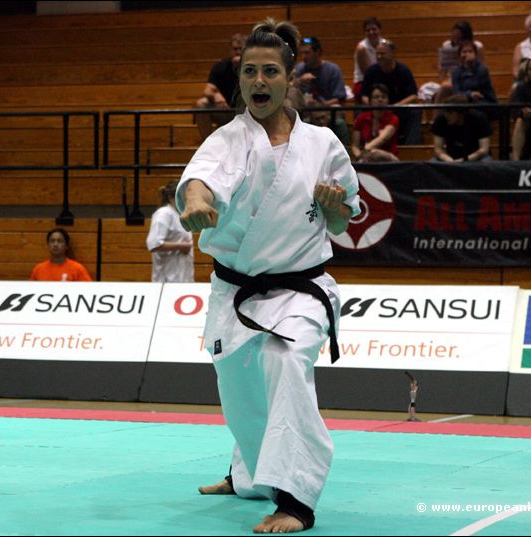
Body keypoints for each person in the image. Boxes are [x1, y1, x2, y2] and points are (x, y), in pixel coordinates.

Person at [178, 18, 360, 533]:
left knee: (283, 361)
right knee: (240, 391)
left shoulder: (323, 143)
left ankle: (296, 498)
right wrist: (195, 202)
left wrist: (335, 210)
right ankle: (249, 475)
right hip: (235, 289)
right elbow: (201, 180)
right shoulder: (228, 139)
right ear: (239, 79)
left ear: (289, 78)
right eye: (250, 71)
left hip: (301, 289)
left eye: (270, 71)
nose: (259, 80)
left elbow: (343, 219)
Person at [360, 39, 421, 144]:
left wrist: (395, 106)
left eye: (382, 54)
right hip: (376, 110)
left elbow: (413, 96)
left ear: (392, 54)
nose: (379, 57)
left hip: (398, 109)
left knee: (415, 111)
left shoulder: (403, 71)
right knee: (359, 112)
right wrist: (373, 105)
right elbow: (364, 96)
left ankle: (411, 147)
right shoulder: (371, 71)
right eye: (377, 54)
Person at [194, 34, 246, 140]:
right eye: (235, 49)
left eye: (241, 49)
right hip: (226, 110)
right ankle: (207, 143)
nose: (238, 52)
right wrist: (216, 95)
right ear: (230, 50)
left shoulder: (254, 66)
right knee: (201, 103)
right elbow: (207, 91)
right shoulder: (221, 66)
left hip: (247, 111)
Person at [146, 179, 194, 283]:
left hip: (183, 278)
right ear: (171, 198)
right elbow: (153, 243)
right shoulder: (164, 213)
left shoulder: (181, 215)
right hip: (167, 279)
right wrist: (181, 246)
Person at [431, 94, 492, 162]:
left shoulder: (479, 119)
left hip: (476, 157)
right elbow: (438, 149)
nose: (446, 115)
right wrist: (449, 160)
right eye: (445, 112)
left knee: (486, 162)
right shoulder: (441, 119)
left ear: (461, 113)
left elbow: (483, 150)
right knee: (432, 162)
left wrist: (463, 161)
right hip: (451, 157)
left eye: (450, 113)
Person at [293, 36, 347, 106]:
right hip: (305, 110)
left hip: (327, 108)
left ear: (317, 52)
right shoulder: (299, 68)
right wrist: (300, 80)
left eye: (307, 53)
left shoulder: (333, 70)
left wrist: (320, 105)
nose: (303, 57)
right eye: (302, 53)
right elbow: (288, 89)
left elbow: (340, 99)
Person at [351, 83, 399, 162]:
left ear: (388, 100)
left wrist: (364, 153)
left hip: (389, 158)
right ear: (370, 100)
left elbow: (381, 139)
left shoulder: (393, 118)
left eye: (384, 97)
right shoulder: (361, 118)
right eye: (376, 97)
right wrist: (358, 155)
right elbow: (355, 146)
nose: (380, 100)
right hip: (365, 158)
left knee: (375, 153)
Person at [452, 41, 498, 114]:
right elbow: (456, 92)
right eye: (464, 52)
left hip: (484, 102)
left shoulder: (482, 69)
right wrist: (469, 94)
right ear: (459, 54)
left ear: (475, 54)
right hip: (465, 102)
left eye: (470, 51)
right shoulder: (456, 71)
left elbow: (479, 89)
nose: (467, 54)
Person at [352, 16, 383, 97]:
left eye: (374, 29)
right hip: (363, 81)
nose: (371, 32)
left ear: (379, 30)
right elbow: (367, 73)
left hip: (381, 79)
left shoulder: (386, 45)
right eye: (368, 30)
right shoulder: (361, 48)